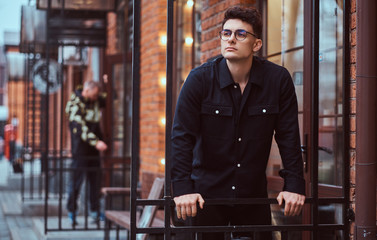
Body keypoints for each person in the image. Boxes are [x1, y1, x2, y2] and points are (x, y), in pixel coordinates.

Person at [171, 6, 306, 240]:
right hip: (205, 198)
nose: (231, 38)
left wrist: (294, 184)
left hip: (252, 196)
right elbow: (181, 137)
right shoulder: (199, 79)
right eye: (226, 33)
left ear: (257, 45)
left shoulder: (277, 80)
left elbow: (289, 137)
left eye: (241, 34)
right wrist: (182, 190)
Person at [65, 80, 108, 225]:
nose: (97, 98)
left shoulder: (94, 100)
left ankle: (95, 212)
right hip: (80, 150)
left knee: (95, 182)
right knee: (76, 183)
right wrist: (96, 142)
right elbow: (80, 127)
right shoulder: (74, 104)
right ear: (87, 90)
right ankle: (72, 212)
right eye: (95, 94)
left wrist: (105, 82)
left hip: (94, 151)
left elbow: (106, 98)